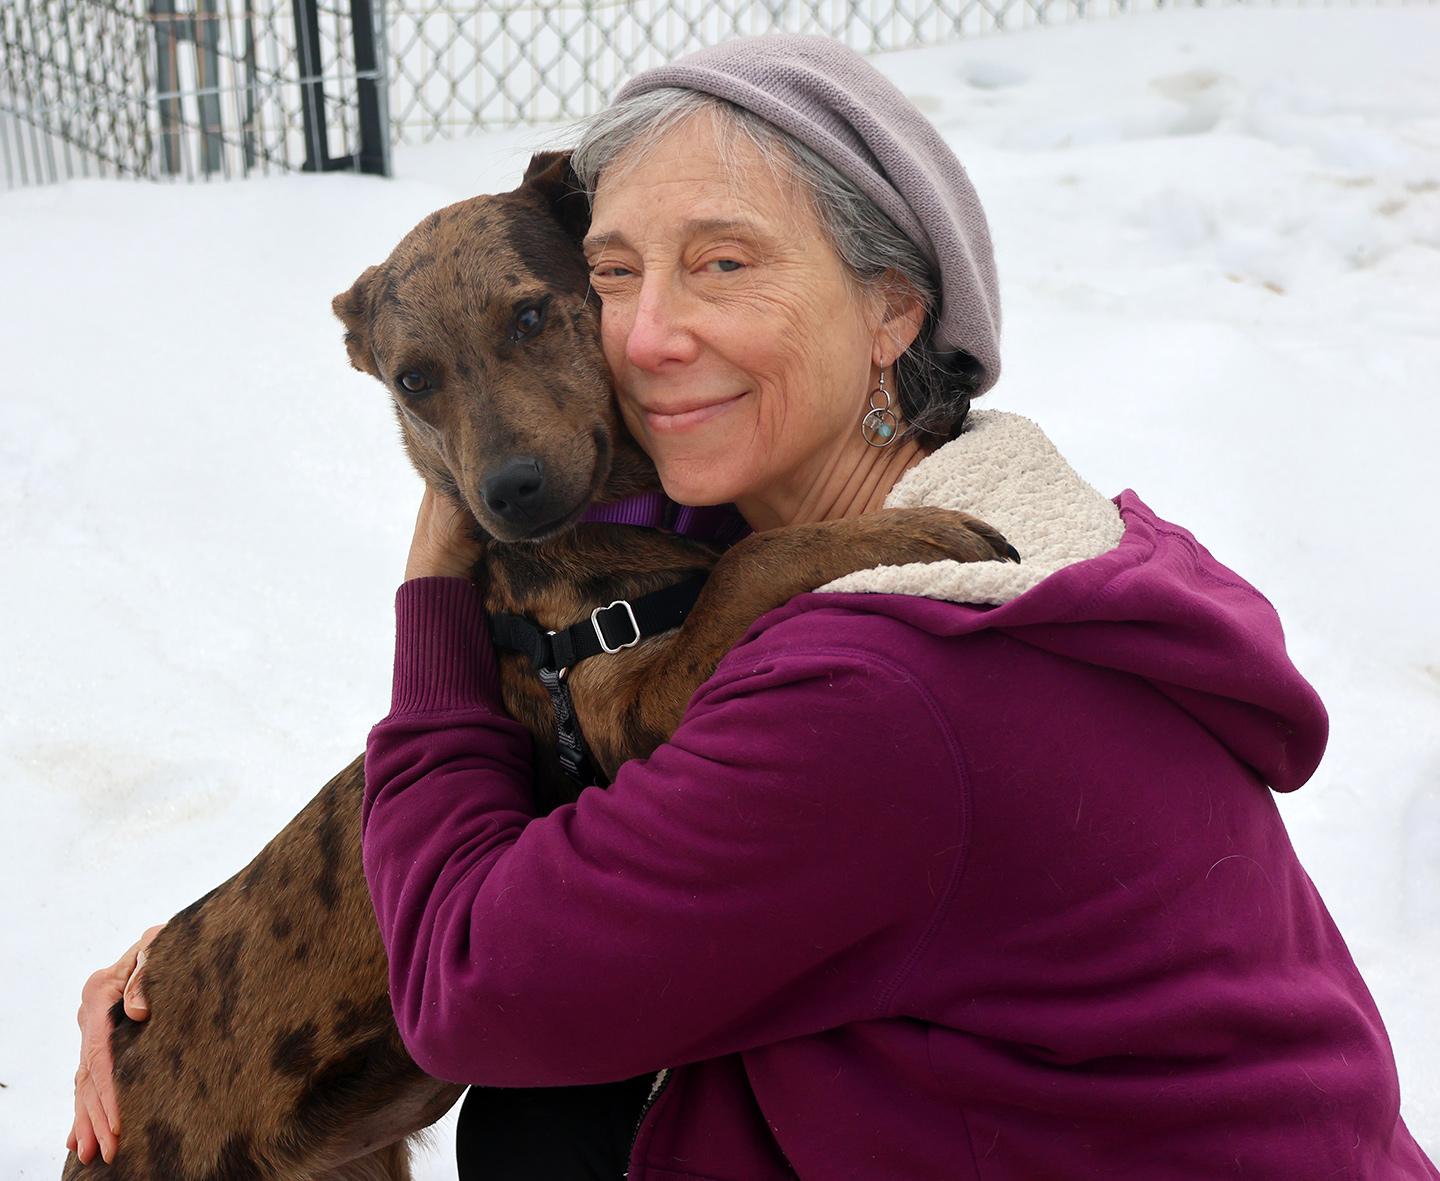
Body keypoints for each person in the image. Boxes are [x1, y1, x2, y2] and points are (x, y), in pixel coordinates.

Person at [71, 34, 1438, 1181]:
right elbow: (585, 763)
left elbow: (470, 979)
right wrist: (198, 979)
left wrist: (434, 581)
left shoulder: (891, 689)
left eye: (724, 264)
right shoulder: (1006, 532)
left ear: (895, 308)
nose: (651, 334)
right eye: (612, 275)